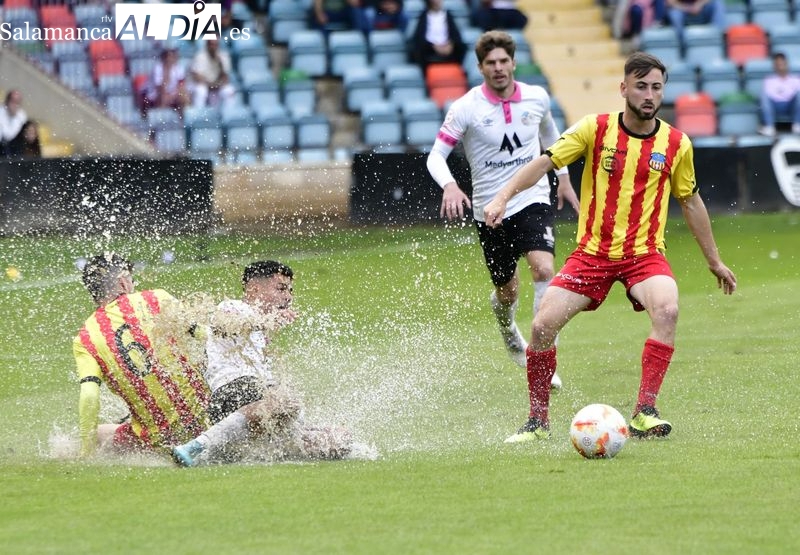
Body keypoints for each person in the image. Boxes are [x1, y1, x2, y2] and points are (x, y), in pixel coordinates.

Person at [483, 52, 737, 443]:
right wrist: (502, 197)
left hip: (644, 254)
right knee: (541, 325)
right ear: (623, 89)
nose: (649, 95)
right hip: (591, 254)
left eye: (656, 87)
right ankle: (537, 422)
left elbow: (690, 200)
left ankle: (645, 412)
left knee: (667, 308)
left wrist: (715, 261)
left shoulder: (676, 143)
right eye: (641, 86)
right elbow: (544, 163)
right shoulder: (594, 129)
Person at [426, 30, 576, 397]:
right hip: (489, 209)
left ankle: (540, 355)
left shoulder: (537, 98)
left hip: (532, 197)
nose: (498, 68)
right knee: (507, 291)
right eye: (490, 63)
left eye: (503, 61)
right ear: (480, 68)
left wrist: (565, 180)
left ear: (513, 63)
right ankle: (508, 328)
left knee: (543, 268)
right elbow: (435, 156)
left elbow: (554, 140)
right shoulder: (465, 108)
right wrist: (449, 185)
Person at [170, 260, 353, 466]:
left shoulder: (261, 333)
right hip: (232, 392)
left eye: (290, 291)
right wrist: (264, 322)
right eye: (281, 288)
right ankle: (196, 446)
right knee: (286, 401)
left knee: (339, 439)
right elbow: (223, 326)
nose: (288, 297)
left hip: (257, 403)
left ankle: (231, 451)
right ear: (254, 288)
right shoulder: (234, 307)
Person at [72, 253, 211, 458]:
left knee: (99, 432)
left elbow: (90, 396)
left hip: (157, 442)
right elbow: (205, 336)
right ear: (122, 282)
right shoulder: (157, 299)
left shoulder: (85, 338)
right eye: (131, 278)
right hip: (208, 421)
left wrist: (86, 452)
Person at [409, 0, 467, 71]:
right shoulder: (424, 16)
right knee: (419, 48)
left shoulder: (448, 15)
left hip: (447, 47)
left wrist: (451, 45)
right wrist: (434, 47)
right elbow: (419, 37)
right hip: (429, 48)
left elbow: (455, 35)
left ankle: (458, 70)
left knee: (462, 46)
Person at [758, 52, 800, 138]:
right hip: (775, 106)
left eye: (782, 63)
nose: (780, 66)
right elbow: (770, 95)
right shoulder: (769, 80)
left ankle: (797, 125)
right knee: (764, 95)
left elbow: (795, 95)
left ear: (786, 64)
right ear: (774, 66)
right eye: (778, 64)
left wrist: (783, 95)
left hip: (790, 105)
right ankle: (769, 127)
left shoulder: (795, 79)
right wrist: (785, 95)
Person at [189, 39, 236, 109]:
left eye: (215, 44)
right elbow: (197, 77)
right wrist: (211, 85)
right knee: (201, 91)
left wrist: (220, 64)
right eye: (211, 44)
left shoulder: (223, 56)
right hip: (204, 85)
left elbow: (226, 78)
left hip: (217, 85)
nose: (213, 47)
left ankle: (228, 115)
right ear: (207, 45)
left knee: (229, 90)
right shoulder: (200, 56)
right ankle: (199, 115)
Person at [143, 46, 190, 114]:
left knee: (184, 96)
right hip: (155, 94)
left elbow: (181, 85)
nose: (170, 59)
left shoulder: (179, 68)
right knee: (163, 96)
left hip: (172, 94)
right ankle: (162, 118)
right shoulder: (158, 68)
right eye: (169, 56)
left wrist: (174, 96)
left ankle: (185, 119)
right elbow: (160, 88)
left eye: (172, 56)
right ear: (164, 58)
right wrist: (167, 72)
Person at [0, 90, 28, 155]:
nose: (15, 105)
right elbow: (6, 135)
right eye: (13, 101)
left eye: (18, 102)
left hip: (15, 150)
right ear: (7, 101)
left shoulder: (22, 115)